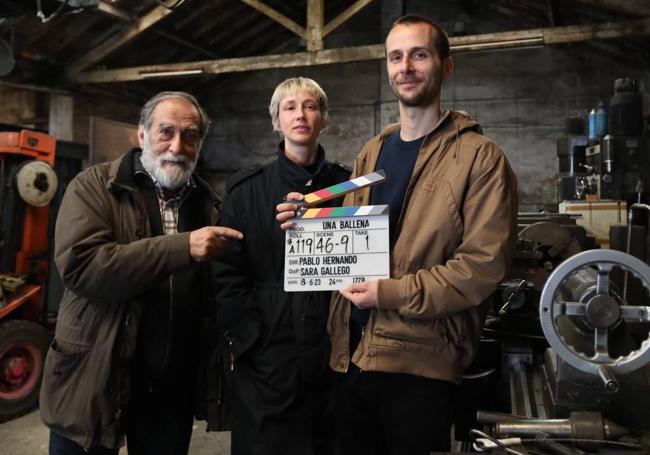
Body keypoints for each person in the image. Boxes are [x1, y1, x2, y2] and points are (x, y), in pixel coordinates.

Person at [277, 14, 518, 455]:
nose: (405, 66)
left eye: (419, 55)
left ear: (446, 66)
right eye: (395, 57)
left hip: (420, 364)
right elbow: (355, 238)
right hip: (351, 355)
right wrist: (308, 225)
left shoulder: (480, 158)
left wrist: (388, 294)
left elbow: (482, 267)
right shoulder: (372, 152)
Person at [40, 91, 243, 455]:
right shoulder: (94, 187)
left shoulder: (208, 205)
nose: (177, 146)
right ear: (142, 135)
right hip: (93, 376)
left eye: (190, 135)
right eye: (166, 132)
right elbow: (84, 266)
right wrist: (183, 247)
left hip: (168, 388)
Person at [214, 77, 350, 455]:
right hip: (267, 358)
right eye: (289, 108)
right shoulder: (245, 191)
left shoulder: (350, 186)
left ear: (324, 118)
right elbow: (227, 274)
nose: (301, 115)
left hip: (334, 349)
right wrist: (250, 336)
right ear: (276, 121)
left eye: (310, 106)